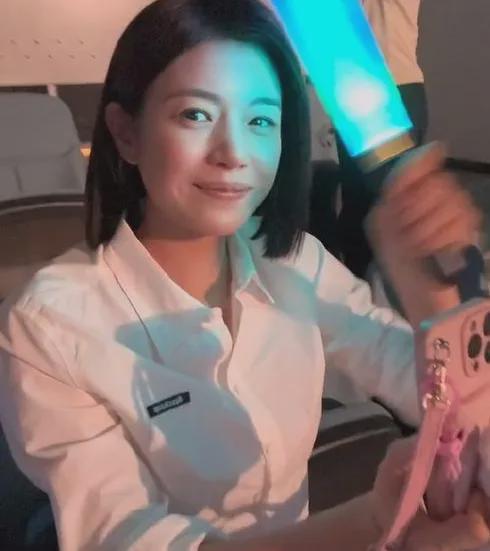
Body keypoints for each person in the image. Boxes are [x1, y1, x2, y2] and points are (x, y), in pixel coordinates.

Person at [0, 1, 486, 549]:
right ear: (126, 132)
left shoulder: (292, 263)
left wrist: (432, 299)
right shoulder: (50, 328)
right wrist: (372, 523)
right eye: (195, 115)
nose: (233, 154)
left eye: (260, 121)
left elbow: (426, 385)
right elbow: (126, 537)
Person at [337, 0, 428, 279]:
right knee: (360, 200)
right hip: (363, 87)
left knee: (387, 204)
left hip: (392, 88)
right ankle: (358, 283)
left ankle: (384, 286)